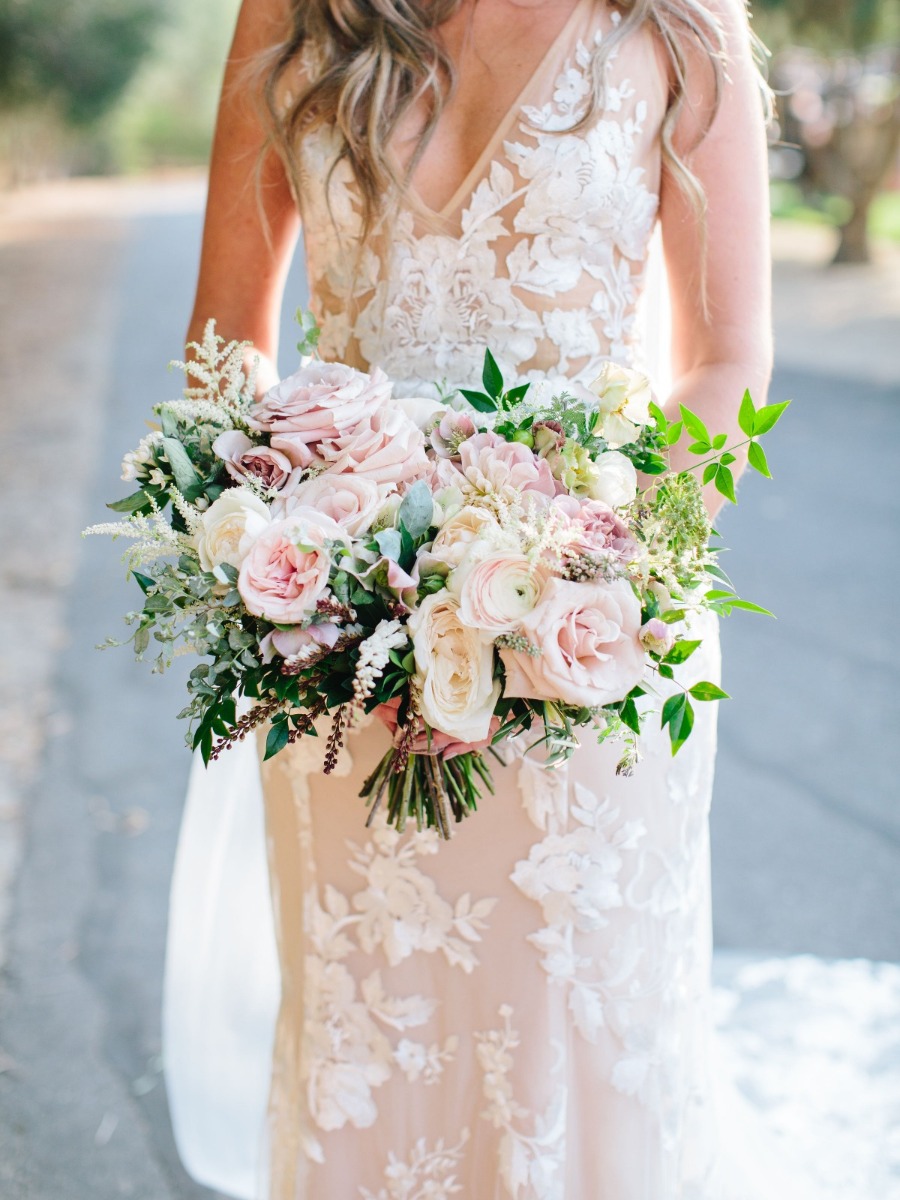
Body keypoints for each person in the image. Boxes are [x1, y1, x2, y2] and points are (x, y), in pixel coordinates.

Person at [167, 0, 783, 1196]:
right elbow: (229, 330)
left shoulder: (679, 23)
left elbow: (723, 357)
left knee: (577, 1044)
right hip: (337, 659)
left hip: (588, 653)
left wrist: (604, 580)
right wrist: (274, 557)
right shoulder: (299, 14)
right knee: (370, 1041)